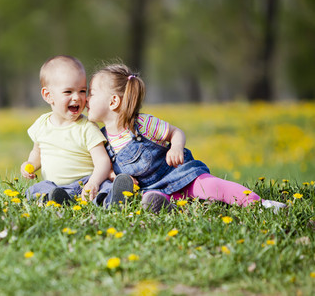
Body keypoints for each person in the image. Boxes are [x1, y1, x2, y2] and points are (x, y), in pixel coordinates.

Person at [86, 63, 286, 213]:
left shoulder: (142, 124)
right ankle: (171, 207)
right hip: (153, 187)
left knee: (211, 186)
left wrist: (176, 148)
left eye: (92, 94)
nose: (86, 99)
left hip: (181, 176)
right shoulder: (102, 138)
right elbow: (108, 166)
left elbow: (176, 132)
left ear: (113, 101)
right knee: (150, 200)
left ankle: (258, 203)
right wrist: (116, 177)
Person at [20, 56, 133, 207]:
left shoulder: (86, 127)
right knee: (36, 189)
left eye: (82, 91)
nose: (77, 98)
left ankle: (112, 199)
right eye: (68, 92)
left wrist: (93, 182)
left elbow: (102, 162)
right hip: (56, 186)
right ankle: (56, 199)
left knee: (104, 186)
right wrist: (30, 165)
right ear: (48, 95)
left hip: (85, 183)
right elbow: (37, 152)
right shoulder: (41, 124)